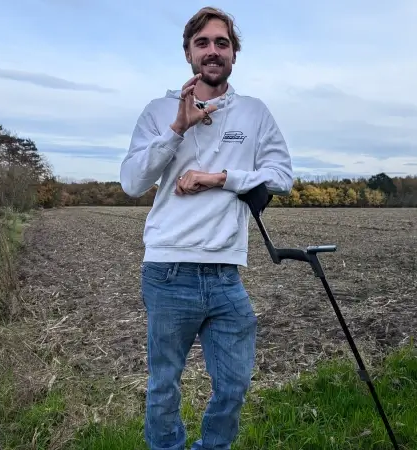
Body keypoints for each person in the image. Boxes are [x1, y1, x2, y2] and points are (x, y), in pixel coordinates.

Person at [119, 6, 293, 450]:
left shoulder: (254, 113)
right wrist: (177, 128)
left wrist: (219, 178)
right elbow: (132, 182)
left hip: (225, 274)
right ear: (188, 54)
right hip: (168, 269)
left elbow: (281, 176)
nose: (213, 51)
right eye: (203, 43)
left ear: (234, 53)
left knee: (234, 384)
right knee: (164, 387)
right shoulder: (159, 111)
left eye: (222, 43)